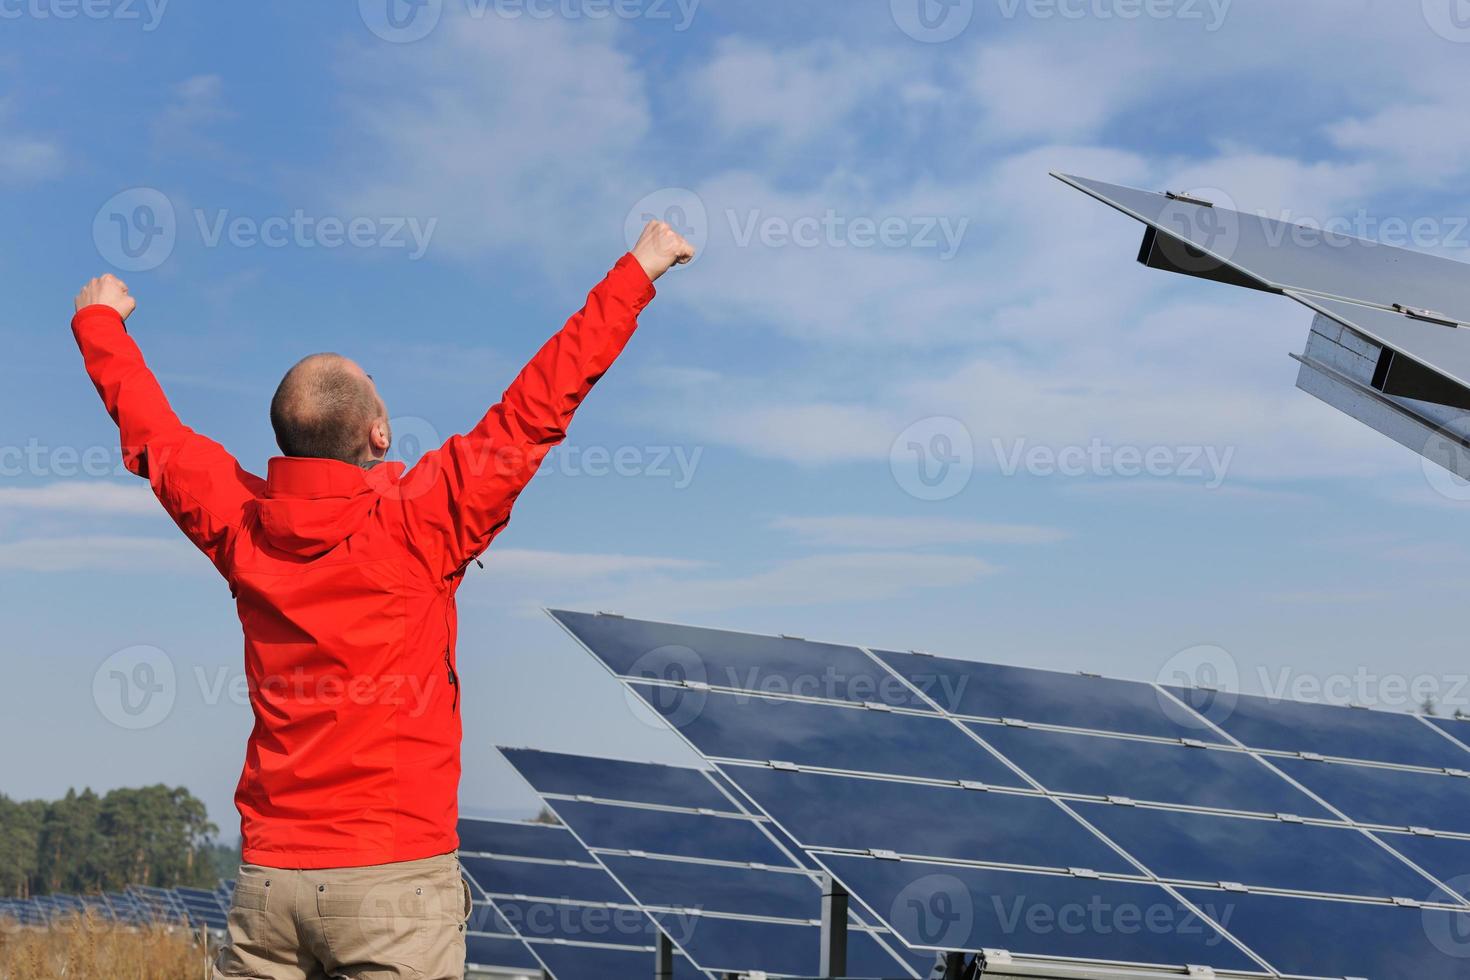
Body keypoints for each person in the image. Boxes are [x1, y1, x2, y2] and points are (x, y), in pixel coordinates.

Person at [70, 220, 695, 980]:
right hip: (393, 886)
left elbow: (155, 438)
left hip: (270, 887)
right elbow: (536, 407)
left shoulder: (241, 524)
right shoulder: (421, 519)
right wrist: (637, 271)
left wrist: (99, 323)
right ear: (379, 432)